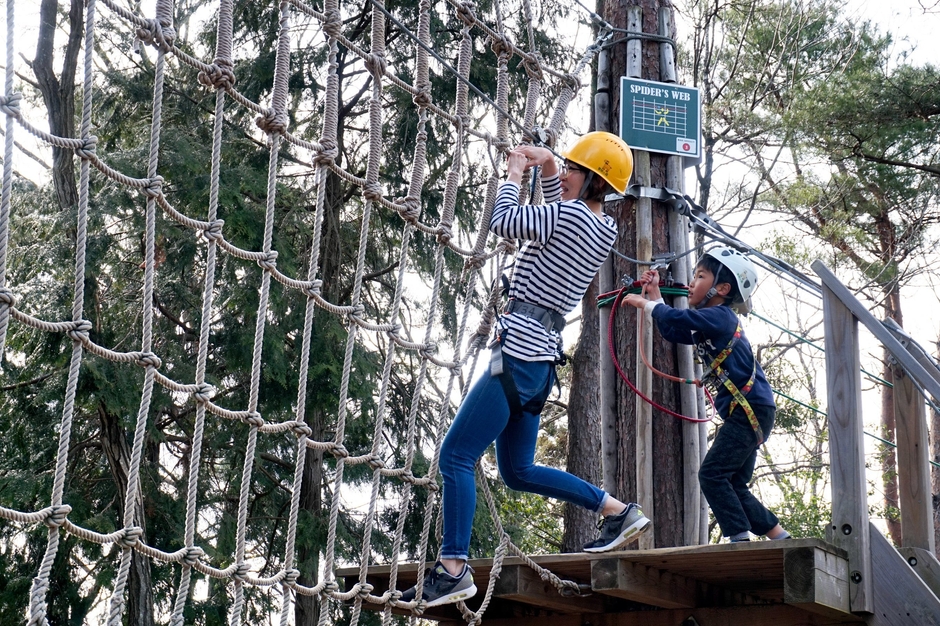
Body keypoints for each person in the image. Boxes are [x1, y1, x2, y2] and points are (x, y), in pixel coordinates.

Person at [399, 132, 650, 609]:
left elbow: (504, 222)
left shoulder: (572, 214)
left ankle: (453, 568)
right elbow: (561, 217)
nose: (568, 175)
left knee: (455, 456)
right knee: (517, 470)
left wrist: (515, 174)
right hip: (539, 358)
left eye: (575, 169)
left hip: (517, 350)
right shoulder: (603, 227)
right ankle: (617, 510)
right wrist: (552, 167)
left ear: (592, 179)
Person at [620, 247, 790, 544]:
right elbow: (674, 329)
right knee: (733, 482)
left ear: (721, 288)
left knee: (711, 475)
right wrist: (655, 294)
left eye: (700, 276)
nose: (691, 282)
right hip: (752, 411)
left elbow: (677, 317)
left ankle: (739, 539)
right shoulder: (710, 324)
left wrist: (643, 304)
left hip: (750, 410)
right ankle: (780, 536)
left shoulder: (722, 317)